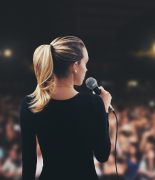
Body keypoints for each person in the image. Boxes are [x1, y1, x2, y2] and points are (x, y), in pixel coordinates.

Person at [19, 36, 112, 180]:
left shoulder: (30, 103)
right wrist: (103, 109)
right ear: (74, 66)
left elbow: (29, 159)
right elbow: (102, 155)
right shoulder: (93, 102)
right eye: (85, 63)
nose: (86, 69)